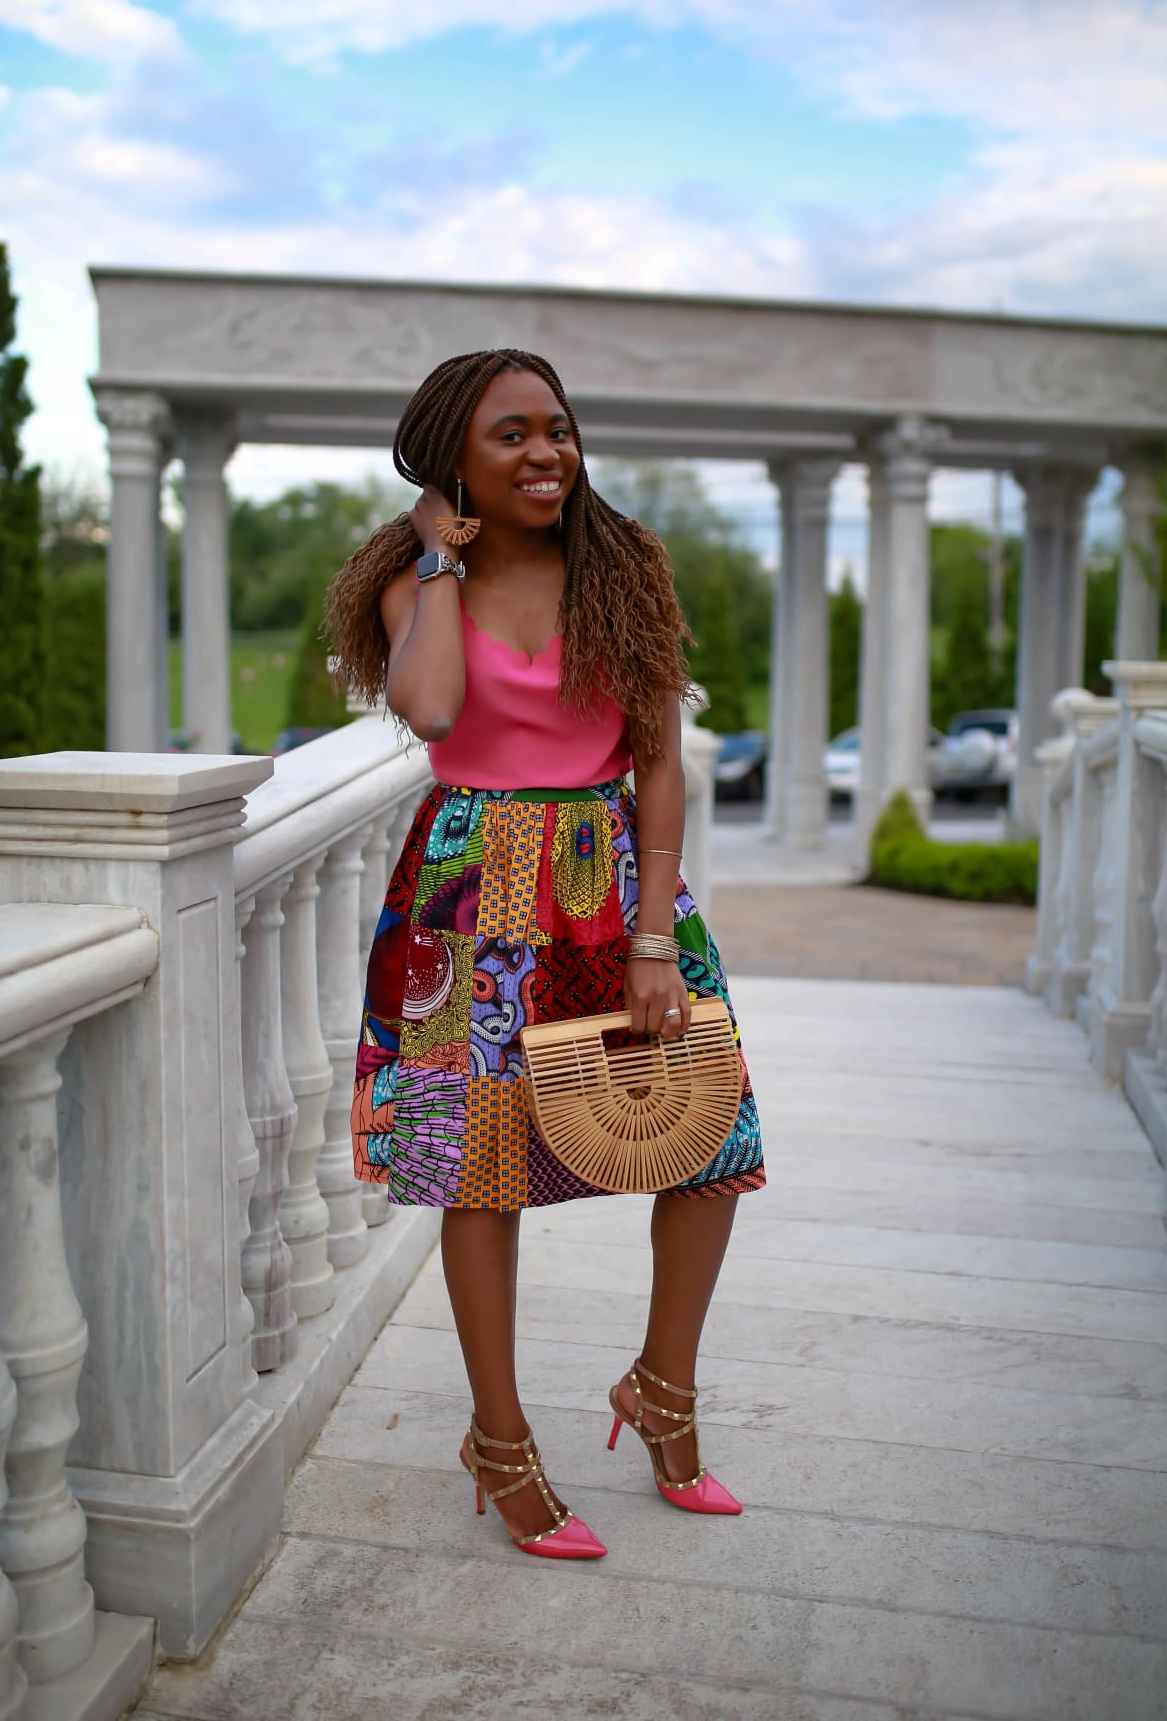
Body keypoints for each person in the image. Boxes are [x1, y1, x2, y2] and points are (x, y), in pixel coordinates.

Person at [325, 349, 765, 1561]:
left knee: (712, 1140)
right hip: (467, 891)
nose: (545, 454)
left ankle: (663, 1393)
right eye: (511, 434)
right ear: (451, 458)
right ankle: (502, 1438)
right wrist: (438, 557)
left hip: (613, 879)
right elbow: (429, 711)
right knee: (483, 1170)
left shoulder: (624, 573)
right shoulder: (414, 585)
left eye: (558, 430)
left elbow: (659, 756)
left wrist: (654, 934)